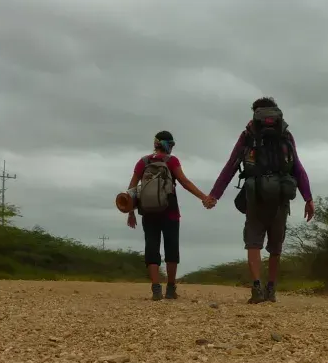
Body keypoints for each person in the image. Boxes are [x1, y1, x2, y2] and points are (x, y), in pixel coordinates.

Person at [204, 97, 314, 303]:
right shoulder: (286, 135)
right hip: (281, 196)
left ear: (255, 112)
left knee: (253, 242)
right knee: (276, 246)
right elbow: (297, 167)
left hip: (255, 196)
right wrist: (308, 197)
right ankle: (271, 289)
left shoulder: (248, 135)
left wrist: (214, 195)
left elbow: (231, 166)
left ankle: (257, 288)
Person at [126, 130, 212, 301]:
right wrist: (204, 197)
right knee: (171, 246)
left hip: (148, 210)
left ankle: (156, 288)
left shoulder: (143, 162)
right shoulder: (171, 161)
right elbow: (184, 182)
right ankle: (171, 289)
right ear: (170, 145)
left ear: (155, 143)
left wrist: (131, 212)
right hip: (170, 210)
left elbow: (132, 188)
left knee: (151, 245)